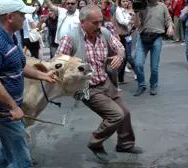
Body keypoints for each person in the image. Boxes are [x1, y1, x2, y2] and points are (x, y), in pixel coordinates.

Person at [55, 5, 142, 162]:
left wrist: (119, 57)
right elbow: (57, 62)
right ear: (83, 22)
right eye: (95, 23)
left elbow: (120, 48)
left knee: (125, 112)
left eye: (100, 22)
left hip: (106, 82)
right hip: (87, 88)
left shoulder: (104, 33)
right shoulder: (70, 37)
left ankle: (125, 144)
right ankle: (95, 143)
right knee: (116, 115)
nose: (99, 26)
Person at [0, 0, 57, 167]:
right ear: (10, 17)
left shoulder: (10, 37)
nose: (25, 18)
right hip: (2, 114)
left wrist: (43, 75)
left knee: (7, 152)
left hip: (7, 112)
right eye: (22, 15)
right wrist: (13, 107)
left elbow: (19, 66)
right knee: (22, 163)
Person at [133, 0, 174, 96]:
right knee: (138, 63)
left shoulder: (162, 6)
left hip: (157, 38)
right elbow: (136, 25)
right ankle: (141, 85)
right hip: (143, 37)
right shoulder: (142, 6)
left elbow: (168, 20)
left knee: (154, 67)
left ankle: (154, 85)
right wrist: (136, 13)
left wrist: (170, 27)